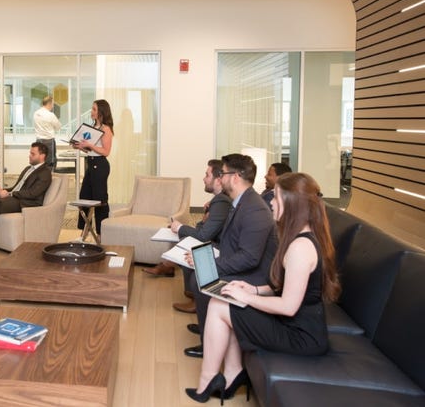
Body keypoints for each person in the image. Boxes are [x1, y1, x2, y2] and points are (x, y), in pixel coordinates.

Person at [185, 172, 340, 403]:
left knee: (220, 305)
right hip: (293, 325)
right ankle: (231, 374)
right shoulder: (300, 237)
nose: (271, 202)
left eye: (276, 197)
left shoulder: (300, 248)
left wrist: (246, 298)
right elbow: (283, 286)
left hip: (300, 336)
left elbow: (288, 306)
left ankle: (209, 380)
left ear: (292, 203)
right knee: (224, 301)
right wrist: (253, 290)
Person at [183, 153, 277, 358]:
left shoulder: (255, 209)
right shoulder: (242, 202)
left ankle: (209, 342)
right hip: (241, 262)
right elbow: (230, 241)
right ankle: (209, 327)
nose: (220, 178)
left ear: (235, 177)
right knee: (198, 272)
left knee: (201, 278)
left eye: (223, 174)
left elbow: (249, 258)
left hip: (255, 276)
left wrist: (212, 264)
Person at [144, 159, 231, 279]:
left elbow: (203, 235)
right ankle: (167, 266)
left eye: (207, 175)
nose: (204, 179)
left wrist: (180, 227)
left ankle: (167, 266)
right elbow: (202, 227)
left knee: (185, 237)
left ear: (218, 180)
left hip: (220, 248)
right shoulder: (218, 200)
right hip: (212, 239)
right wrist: (205, 216)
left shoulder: (222, 202)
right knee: (184, 236)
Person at [73, 99, 114, 236]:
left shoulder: (105, 129)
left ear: (101, 112)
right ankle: (84, 232)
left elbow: (106, 152)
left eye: (94, 109)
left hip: (100, 166)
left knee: (99, 200)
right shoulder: (93, 127)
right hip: (90, 164)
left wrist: (89, 145)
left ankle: (102, 234)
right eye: (92, 109)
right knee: (84, 197)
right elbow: (91, 150)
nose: (92, 111)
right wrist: (81, 147)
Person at [33, 95, 61, 168]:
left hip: (38, 141)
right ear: (49, 103)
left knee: (39, 162)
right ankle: (49, 175)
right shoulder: (50, 115)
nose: (53, 106)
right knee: (50, 162)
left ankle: (40, 175)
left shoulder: (36, 113)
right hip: (49, 141)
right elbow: (58, 127)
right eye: (52, 104)